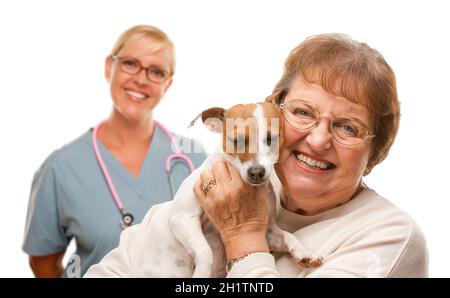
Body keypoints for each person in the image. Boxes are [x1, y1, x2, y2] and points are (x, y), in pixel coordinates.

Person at [84, 33, 428, 278]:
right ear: (273, 116)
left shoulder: (390, 237)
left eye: (348, 128)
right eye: (304, 113)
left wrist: (244, 235)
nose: (319, 139)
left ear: (376, 152)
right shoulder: (223, 184)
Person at [22, 25, 207, 277]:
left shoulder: (195, 159)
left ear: (168, 84)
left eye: (156, 72)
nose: (141, 79)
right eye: (130, 64)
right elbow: (42, 263)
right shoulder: (60, 168)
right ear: (109, 67)